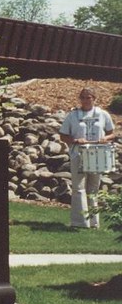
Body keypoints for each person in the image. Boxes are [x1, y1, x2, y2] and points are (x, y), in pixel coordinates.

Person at [59, 87, 116, 228]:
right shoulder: (73, 115)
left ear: (94, 98)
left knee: (93, 188)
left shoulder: (103, 114)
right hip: (78, 154)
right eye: (83, 97)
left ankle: (94, 222)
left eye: (88, 97)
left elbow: (112, 133)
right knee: (78, 188)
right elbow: (63, 135)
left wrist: (105, 138)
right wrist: (75, 140)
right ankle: (79, 222)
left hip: (97, 155)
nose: (85, 100)